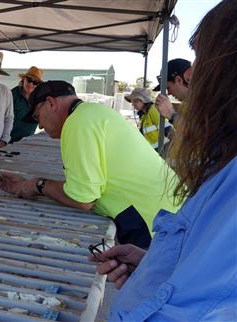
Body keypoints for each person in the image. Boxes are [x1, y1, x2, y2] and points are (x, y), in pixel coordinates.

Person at [92, 2, 237, 320]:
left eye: (203, 54)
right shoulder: (224, 162)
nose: (191, 74)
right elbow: (204, 269)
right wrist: (152, 268)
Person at [0, 81, 180, 249]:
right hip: (171, 214)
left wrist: (36, 185)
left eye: (37, 117)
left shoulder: (78, 123)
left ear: (50, 103)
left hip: (158, 227)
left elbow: (83, 199)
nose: (41, 126)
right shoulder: (93, 113)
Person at [152, 58, 192, 125]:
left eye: (168, 88)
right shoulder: (192, 104)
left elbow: (198, 133)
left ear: (179, 80)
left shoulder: (206, 102)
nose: (169, 93)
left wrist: (171, 114)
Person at [9, 66, 43, 143]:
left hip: (28, 142)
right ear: (23, 79)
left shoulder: (40, 100)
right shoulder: (11, 95)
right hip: (8, 142)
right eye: (29, 80)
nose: (31, 84)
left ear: (38, 86)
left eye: (35, 82)